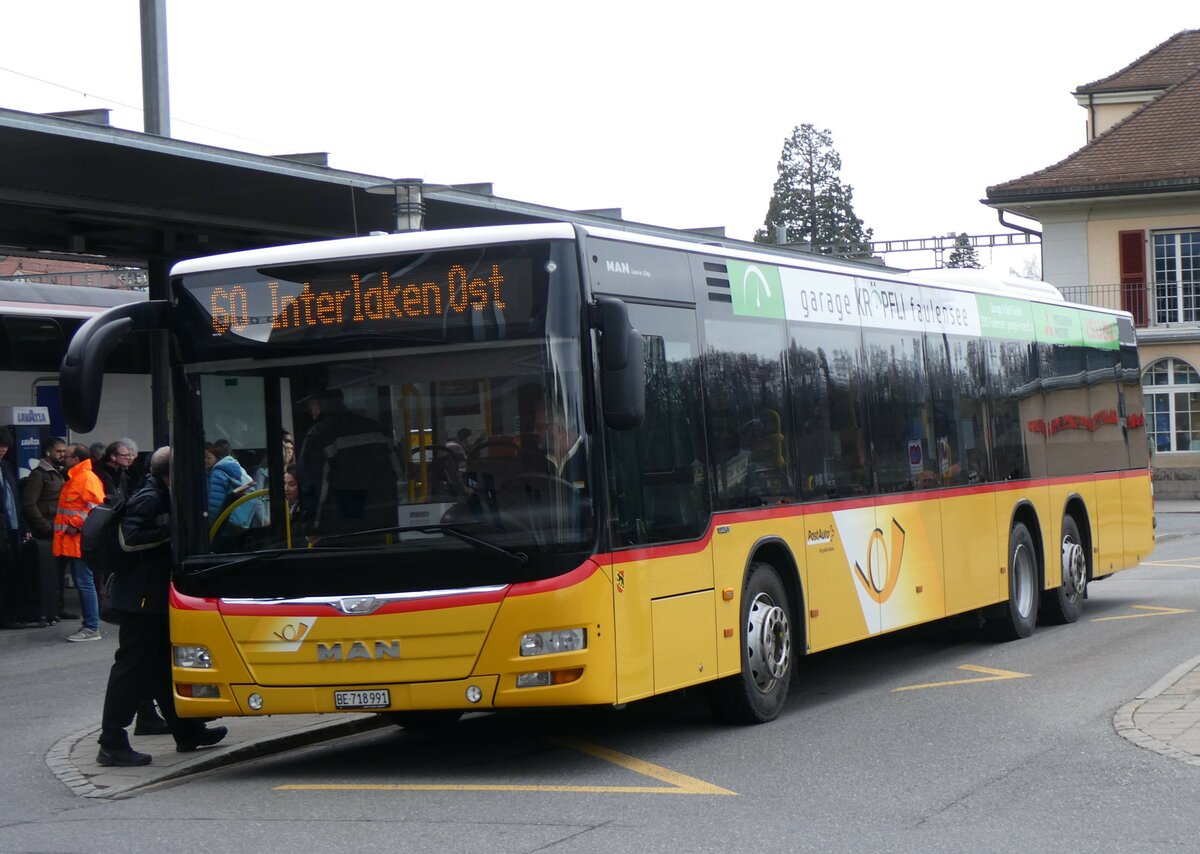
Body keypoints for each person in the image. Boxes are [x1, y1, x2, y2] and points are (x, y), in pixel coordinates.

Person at [96, 447, 227, 767]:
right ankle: (111, 740)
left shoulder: (161, 493)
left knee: (158, 667)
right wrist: (174, 533)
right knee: (131, 667)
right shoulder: (149, 497)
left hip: (150, 596)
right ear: (174, 473)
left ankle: (186, 731)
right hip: (140, 599)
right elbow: (130, 538)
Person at [296, 385, 401, 542]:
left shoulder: (319, 435)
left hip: (339, 524)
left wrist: (312, 527)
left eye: (312, 405)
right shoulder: (376, 428)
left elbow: (313, 485)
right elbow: (398, 470)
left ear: (321, 403)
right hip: (380, 521)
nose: (311, 412)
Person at [20, 435, 76, 623]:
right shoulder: (39, 474)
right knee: (49, 572)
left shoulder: (62, 473)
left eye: (64, 452)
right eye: (59, 451)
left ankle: (59, 607)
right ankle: (50, 607)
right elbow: (29, 504)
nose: (62, 455)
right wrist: (44, 526)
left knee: (60, 571)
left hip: (61, 530)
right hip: (48, 531)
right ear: (48, 452)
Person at [53, 444, 104, 642]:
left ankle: (91, 627)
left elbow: (96, 507)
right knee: (84, 583)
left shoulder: (85, 478)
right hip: (74, 541)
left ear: (76, 459)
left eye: (67, 455)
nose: (64, 458)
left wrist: (75, 524)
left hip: (79, 541)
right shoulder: (78, 478)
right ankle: (90, 626)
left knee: (84, 583)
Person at [0, 427, 32, 629]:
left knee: (10, 573)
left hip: (11, 529)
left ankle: (10, 614)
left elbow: (15, 501)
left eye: (5, 447)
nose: (2, 450)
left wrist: (23, 526)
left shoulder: (6, 467)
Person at [207, 439, 255, 547]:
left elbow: (215, 506)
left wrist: (211, 530)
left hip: (223, 529)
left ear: (217, 456)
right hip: (243, 524)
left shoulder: (216, 472)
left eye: (208, 457)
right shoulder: (238, 469)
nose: (205, 461)